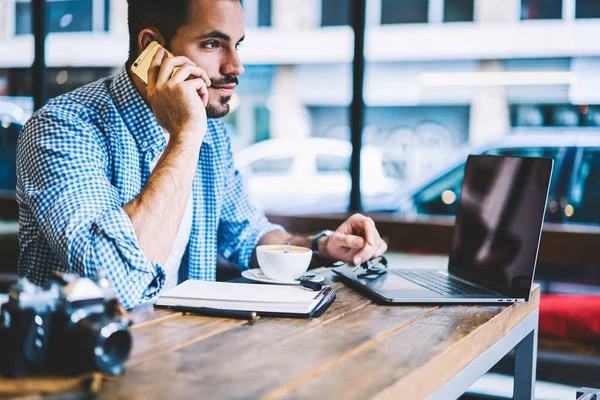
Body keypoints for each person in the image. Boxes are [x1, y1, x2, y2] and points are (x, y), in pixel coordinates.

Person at [16, 0, 388, 309]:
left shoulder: (211, 136)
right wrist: (185, 134)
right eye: (213, 44)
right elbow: (117, 281)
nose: (235, 67)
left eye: (236, 45)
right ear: (152, 49)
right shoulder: (63, 128)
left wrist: (323, 246)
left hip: (184, 356)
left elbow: (248, 235)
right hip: (81, 372)